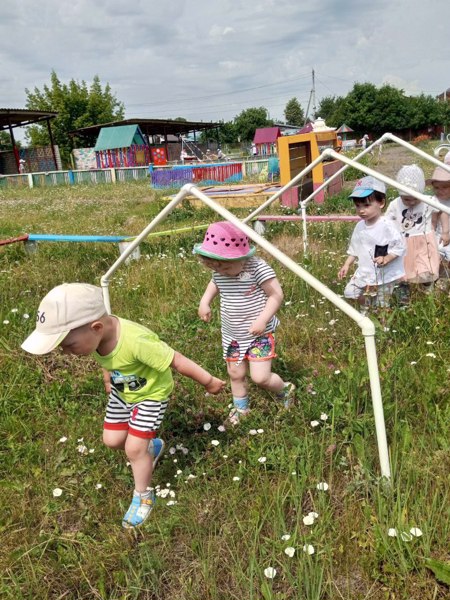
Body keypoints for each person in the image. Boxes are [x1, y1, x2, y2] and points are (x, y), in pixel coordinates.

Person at [21, 283, 225, 529]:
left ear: (96, 327)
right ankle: (153, 447)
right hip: (122, 393)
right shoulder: (97, 336)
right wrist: (108, 378)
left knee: (134, 449)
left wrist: (209, 381)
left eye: (69, 345)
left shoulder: (136, 341)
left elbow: (177, 360)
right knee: (112, 440)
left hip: (150, 394)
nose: (66, 353)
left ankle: (143, 495)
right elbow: (107, 358)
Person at [192, 221, 295, 426]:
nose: (221, 272)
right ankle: (241, 409)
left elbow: (276, 295)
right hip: (233, 335)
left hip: (259, 335)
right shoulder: (219, 270)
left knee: (260, 378)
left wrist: (262, 319)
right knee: (235, 373)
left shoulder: (257, 267)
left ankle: (285, 389)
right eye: (215, 267)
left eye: (226, 267)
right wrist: (205, 302)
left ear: (242, 256)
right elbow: (215, 283)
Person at [338, 176, 406, 312]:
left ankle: (380, 326)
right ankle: (368, 307)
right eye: (357, 206)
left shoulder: (387, 225)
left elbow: (399, 247)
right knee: (350, 292)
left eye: (366, 205)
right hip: (365, 271)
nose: (361, 210)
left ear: (381, 203)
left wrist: (386, 258)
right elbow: (354, 248)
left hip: (384, 273)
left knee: (382, 302)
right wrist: (347, 264)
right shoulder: (360, 226)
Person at [385, 165, 439, 290]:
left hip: (424, 241)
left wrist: (440, 228)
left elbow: (440, 212)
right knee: (405, 269)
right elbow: (387, 221)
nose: (411, 202)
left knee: (426, 266)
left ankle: (427, 289)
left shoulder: (429, 201)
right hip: (404, 242)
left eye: (415, 198)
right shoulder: (396, 204)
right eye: (407, 199)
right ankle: (404, 291)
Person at [427, 164, 450, 285]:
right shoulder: (435, 200)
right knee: (437, 259)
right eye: (436, 187)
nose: (440, 191)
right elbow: (433, 220)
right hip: (441, 236)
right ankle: (438, 283)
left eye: (445, 187)